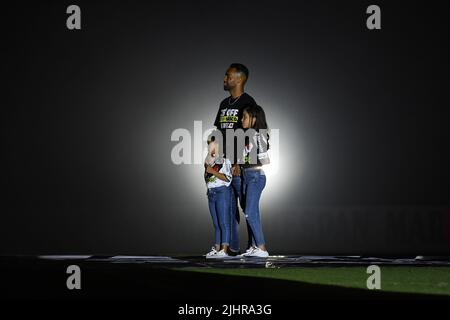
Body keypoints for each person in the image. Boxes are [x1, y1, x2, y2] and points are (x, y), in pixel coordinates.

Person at [213, 63, 258, 255]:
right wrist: (212, 159)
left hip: (240, 165)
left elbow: (251, 134)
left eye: (228, 76)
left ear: (239, 79)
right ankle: (230, 248)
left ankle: (255, 247)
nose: (224, 79)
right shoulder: (224, 104)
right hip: (223, 164)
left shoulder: (248, 102)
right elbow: (218, 132)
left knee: (247, 207)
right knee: (227, 208)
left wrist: (239, 161)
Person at [239, 104, 270, 258]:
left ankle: (262, 248)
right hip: (246, 175)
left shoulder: (259, 134)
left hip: (256, 176)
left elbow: (264, 159)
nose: (241, 119)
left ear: (254, 118)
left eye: (244, 117)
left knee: (250, 212)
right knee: (251, 212)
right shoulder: (246, 135)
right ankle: (253, 246)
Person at [204, 138, 233, 259]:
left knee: (223, 222)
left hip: (222, 192)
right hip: (211, 193)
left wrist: (211, 171)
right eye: (209, 146)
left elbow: (228, 178)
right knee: (216, 224)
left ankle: (224, 250)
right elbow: (207, 176)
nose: (211, 148)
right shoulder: (208, 161)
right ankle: (217, 248)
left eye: (213, 145)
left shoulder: (225, 160)